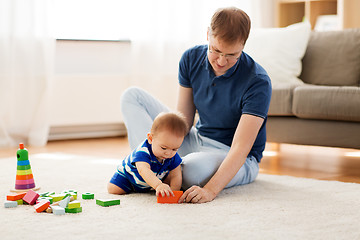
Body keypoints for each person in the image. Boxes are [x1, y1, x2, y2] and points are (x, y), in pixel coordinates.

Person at [120, 7, 272, 203]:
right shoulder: (191, 58)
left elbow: (240, 149)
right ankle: (145, 168)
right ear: (208, 34)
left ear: (243, 44)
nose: (221, 61)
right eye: (215, 50)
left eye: (231, 55)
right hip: (196, 139)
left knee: (190, 171)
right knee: (132, 97)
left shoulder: (258, 81)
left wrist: (210, 191)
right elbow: (183, 123)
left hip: (233, 155)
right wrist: (164, 142)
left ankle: (161, 173)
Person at [107, 112, 188, 197]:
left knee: (170, 178)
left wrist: (174, 191)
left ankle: (152, 186)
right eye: (163, 148)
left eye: (174, 149)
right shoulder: (142, 152)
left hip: (155, 178)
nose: (168, 153)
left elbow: (176, 175)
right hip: (129, 177)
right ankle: (142, 187)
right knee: (114, 189)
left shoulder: (173, 156)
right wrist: (158, 185)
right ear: (150, 138)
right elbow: (143, 170)